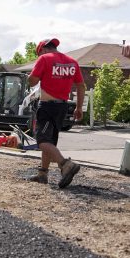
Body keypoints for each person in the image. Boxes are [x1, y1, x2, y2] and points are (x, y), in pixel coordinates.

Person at [28, 38, 86, 188]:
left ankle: (65, 164)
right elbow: (81, 85)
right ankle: (43, 174)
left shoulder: (44, 59)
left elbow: (32, 81)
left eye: (38, 54)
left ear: (43, 50)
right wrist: (79, 107)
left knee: (42, 141)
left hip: (47, 107)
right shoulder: (72, 62)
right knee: (50, 141)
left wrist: (32, 75)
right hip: (62, 107)